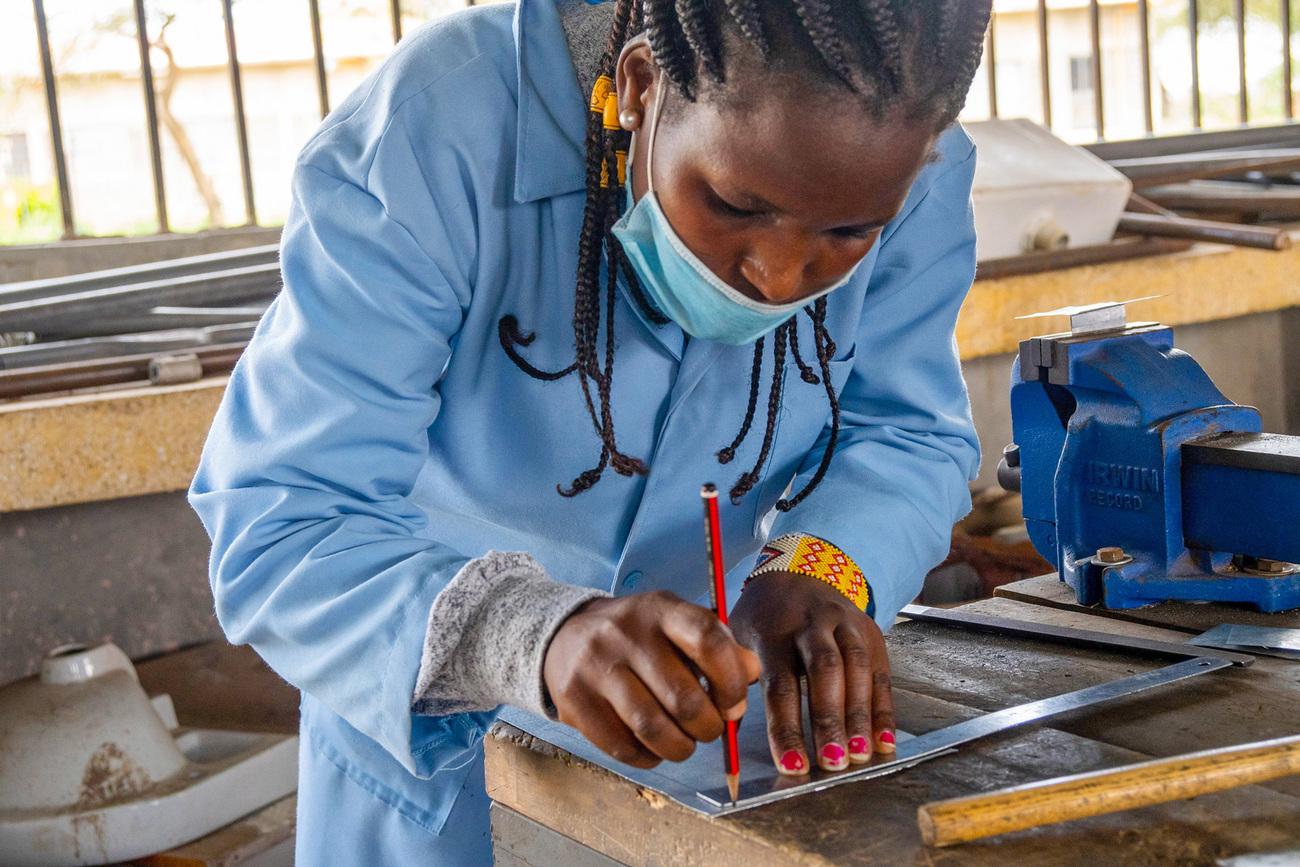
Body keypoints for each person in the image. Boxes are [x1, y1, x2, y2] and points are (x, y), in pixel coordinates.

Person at [189, 0, 992, 862]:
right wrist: (529, 635)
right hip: (441, 791)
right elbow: (284, 514)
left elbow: (907, 429)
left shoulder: (900, 158)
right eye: (732, 204)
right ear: (641, 84)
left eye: (848, 233)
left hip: (714, 765)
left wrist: (820, 566)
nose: (779, 275)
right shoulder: (433, 134)